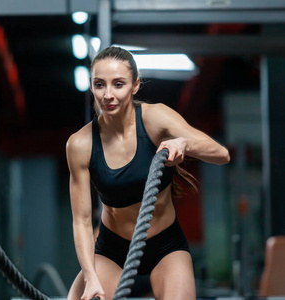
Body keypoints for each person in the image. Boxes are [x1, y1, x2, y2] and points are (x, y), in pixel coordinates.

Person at [65, 46, 230, 300]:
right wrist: (90, 276)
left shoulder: (156, 119)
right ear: (91, 86)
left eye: (118, 84)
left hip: (165, 246)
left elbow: (221, 154)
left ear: (135, 85)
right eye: (99, 85)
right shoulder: (80, 144)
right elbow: (82, 221)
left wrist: (184, 144)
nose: (108, 95)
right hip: (113, 249)